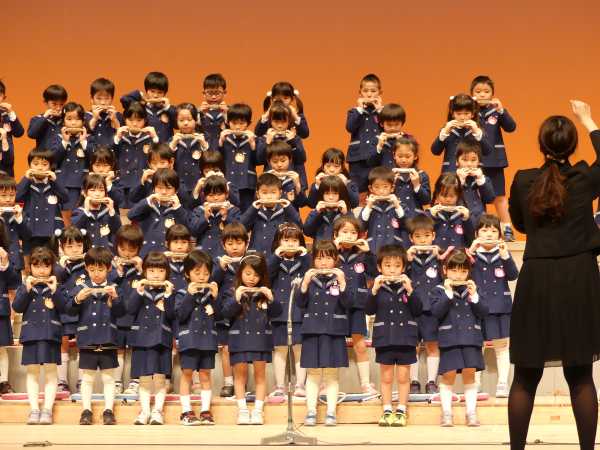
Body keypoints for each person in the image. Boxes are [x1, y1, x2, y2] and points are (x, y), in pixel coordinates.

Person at [507, 100, 600, 450]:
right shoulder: (584, 177)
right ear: (572, 146)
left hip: (537, 278)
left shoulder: (523, 180)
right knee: (581, 375)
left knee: (525, 376)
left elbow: (519, 223)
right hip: (580, 277)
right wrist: (587, 119)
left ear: (541, 145)